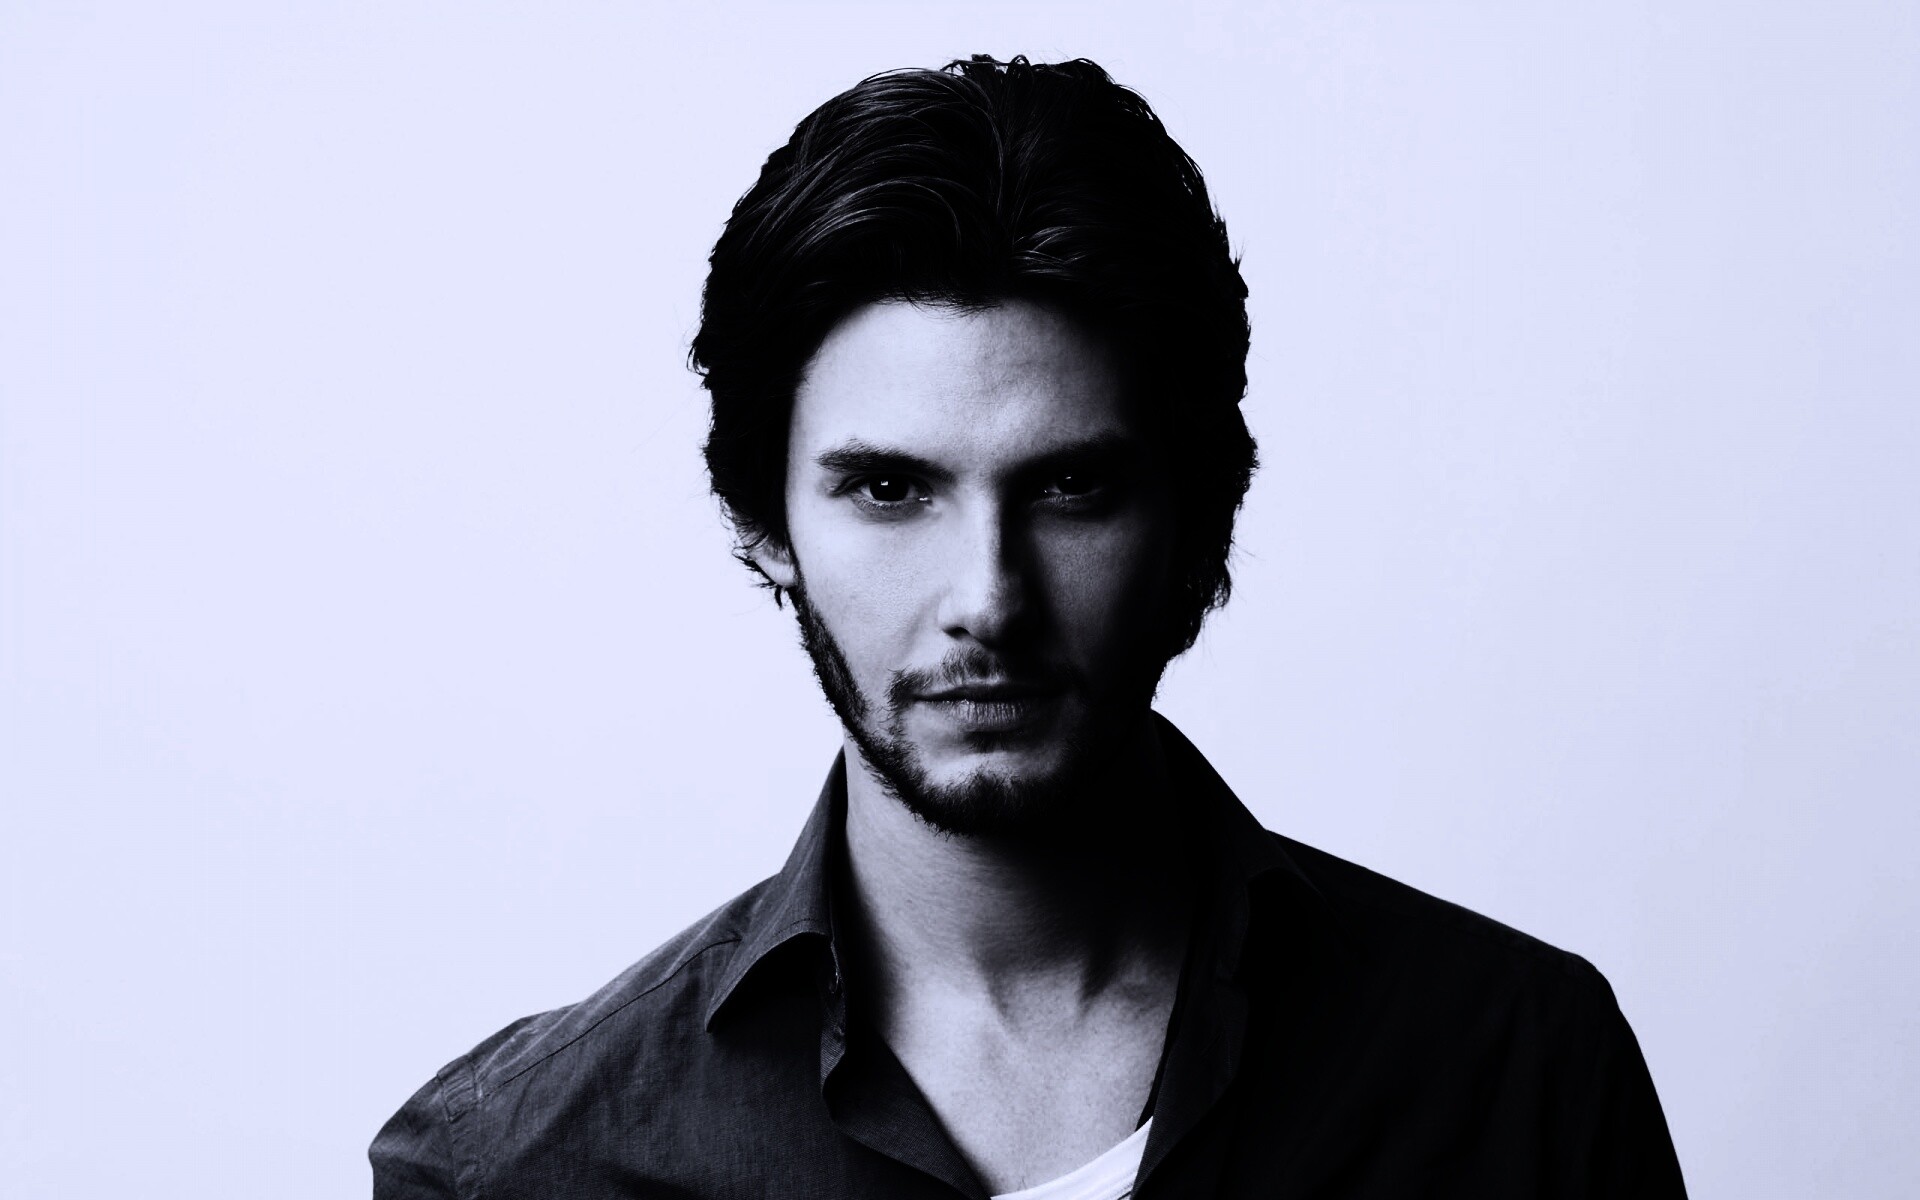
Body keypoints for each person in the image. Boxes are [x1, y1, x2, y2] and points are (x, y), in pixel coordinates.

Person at [370, 55, 1686, 1199]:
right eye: (890, 490)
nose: (988, 599)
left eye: (1069, 488)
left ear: (1198, 519)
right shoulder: (518, 1167)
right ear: (765, 522)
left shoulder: (1518, 1074)